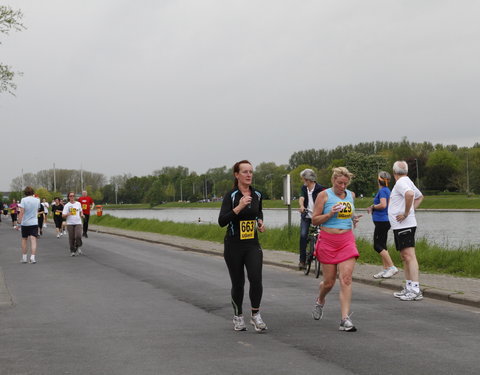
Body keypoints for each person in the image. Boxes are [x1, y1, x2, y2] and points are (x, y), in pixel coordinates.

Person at [218, 160, 267, 332]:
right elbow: (221, 221)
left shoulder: (257, 195)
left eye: (251, 172)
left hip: (252, 244)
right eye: (245, 172)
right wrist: (239, 207)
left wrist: (260, 222)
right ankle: (238, 316)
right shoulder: (231, 196)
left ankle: (255, 315)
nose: (248, 175)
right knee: (238, 283)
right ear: (237, 175)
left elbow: (258, 211)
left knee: (256, 278)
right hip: (233, 245)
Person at [311, 167, 361, 332]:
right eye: (340, 183)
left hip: (346, 240)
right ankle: (320, 299)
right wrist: (330, 214)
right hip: (328, 241)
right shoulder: (324, 195)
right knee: (329, 282)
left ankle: (345, 319)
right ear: (333, 181)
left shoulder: (351, 195)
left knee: (346, 278)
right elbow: (315, 220)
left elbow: (348, 213)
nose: (342, 186)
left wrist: (353, 218)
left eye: (345, 183)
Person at [388, 161, 424, 301]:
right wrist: (411, 210)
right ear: (406, 171)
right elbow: (419, 196)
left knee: (409, 256)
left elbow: (410, 195)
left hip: (404, 225)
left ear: (393, 172)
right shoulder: (407, 180)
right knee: (404, 256)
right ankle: (409, 286)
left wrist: (406, 213)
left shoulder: (401, 182)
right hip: (401, 226)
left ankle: (415, 289)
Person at [366, 171, 398, 279]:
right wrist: (373, 206)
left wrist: (373, 207)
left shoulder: (383, 191)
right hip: (384, 221)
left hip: (382, 221)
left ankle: (392, 267)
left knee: (377, 246)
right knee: (383, 245)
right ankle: (386, 269)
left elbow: (383, 205)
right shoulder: (386, 190)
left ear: (379, 180)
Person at [298, 169, 325, 270]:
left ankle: (324, 259)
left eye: (303, 179)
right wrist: (301, 206)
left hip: (318, 216)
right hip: (307, 215)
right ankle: (302, 260)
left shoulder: (321, 189)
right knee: (303, 235)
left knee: (323, 236)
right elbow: (301, 198)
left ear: (308, 180)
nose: (303, 181)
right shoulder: (304, 188)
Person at [17, 187, 40, 264]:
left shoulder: (23, 200)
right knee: (33, 240)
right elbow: (37, 210)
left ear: (25, 192)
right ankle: (32, 257)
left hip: (25, 223)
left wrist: (18, 222)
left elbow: (22, 212)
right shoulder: (37, 200)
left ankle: (24, 258)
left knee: (24, 239)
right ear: (33, 192)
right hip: (34, 222)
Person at [62, 192, 84, 256]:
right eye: (70, 196)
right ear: (68, 197)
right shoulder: (67, 205)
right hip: (70, 223)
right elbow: (63, 215)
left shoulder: (78, 203)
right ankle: (72, 251)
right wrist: (68, 214)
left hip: (78, 222)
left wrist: (82, 214)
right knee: (71, 238)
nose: (72, 197)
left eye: (73, 196)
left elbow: (81, 210)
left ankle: (77, 246)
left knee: (78, 236)